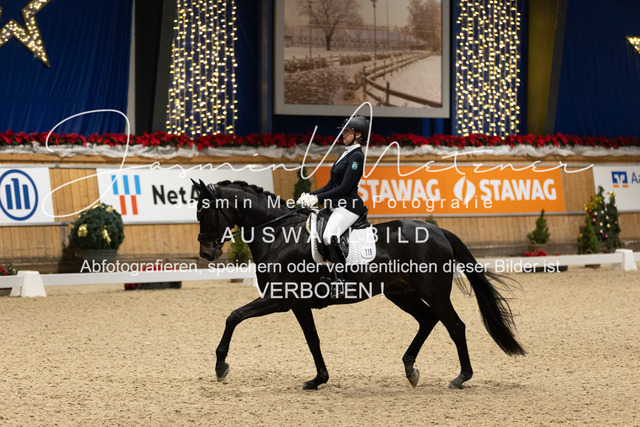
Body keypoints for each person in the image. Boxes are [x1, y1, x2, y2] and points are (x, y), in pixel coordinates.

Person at [297, 115, 369, 296]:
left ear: (358, 135)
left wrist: (318, 198)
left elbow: (345, 188)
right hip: (337, 206)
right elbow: (331, 185)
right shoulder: (345, 154)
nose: (343, 134)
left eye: (347, 131)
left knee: (329, 236)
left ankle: (344, 281)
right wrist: (311, 195)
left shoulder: (357, 157)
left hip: (349, 206)